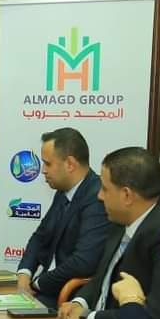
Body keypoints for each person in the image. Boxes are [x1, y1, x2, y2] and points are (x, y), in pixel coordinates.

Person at [57, 147, 160, 319]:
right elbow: (103, 276)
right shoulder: (121, 218)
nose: (99, 196)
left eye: (105, 189)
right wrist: (79, 302)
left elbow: (157, 315)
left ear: (126, 195)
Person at [16, 128, 109, 307]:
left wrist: (37, 284)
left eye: (48, 164)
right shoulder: (62, 192)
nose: (43, 171)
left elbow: (83, 262)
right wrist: (24, 274)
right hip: (47, 289)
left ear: (70, 164)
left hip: (69, 297)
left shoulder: (97, 198)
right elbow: (40, 237)